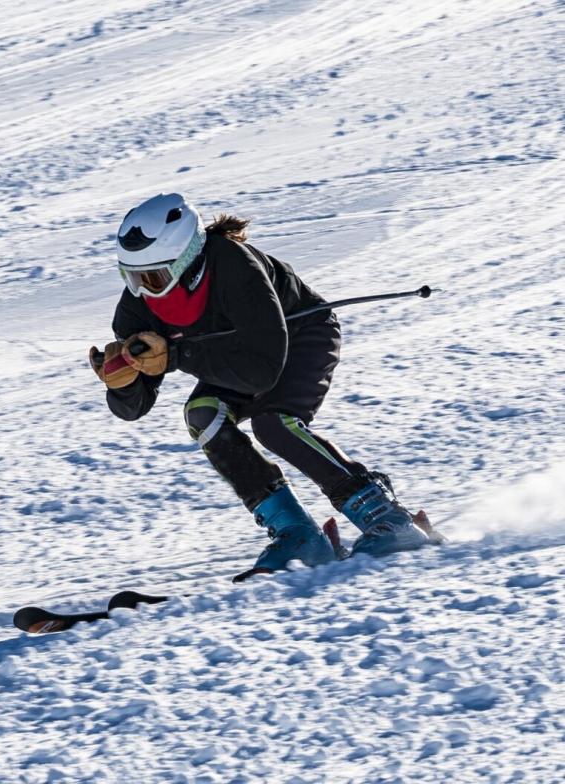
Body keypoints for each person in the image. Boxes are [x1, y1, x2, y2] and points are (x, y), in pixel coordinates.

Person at [90, 192, 430, 579]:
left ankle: (386, 516)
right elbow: (133, 409)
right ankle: (297, 533)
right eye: (130, 277)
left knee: (274, 422)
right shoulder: (137, 307)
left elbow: (262, 372)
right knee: (204, 415)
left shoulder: (236, 269)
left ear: (187, 263)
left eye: (154, 277)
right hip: (232, 357)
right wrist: (123, 382)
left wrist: (176, 357)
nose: (143, 291)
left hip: (300, 336)